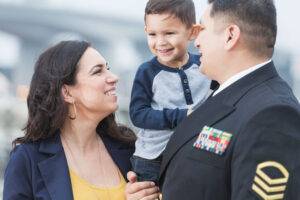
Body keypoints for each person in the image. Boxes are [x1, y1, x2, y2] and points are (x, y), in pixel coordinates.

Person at [157, 0, 300, 199]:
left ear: (230, 36)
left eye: (202, 29)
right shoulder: (232, 94)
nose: (196, 41)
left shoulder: (273, 115)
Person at [3, 40, 142, 200]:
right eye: (98, 71)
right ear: (67, 93)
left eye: (108, 69)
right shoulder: (27, 159)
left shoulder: (127, 145)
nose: (113, 77)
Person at [129, 0, 211, 184]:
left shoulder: (204, 64)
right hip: (152, 159)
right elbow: (137, 114)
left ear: (192, 32)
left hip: (193, 151)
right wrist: (181, 116)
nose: (160, 42)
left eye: (169, 33)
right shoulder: (147, 71)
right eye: (153, 34)